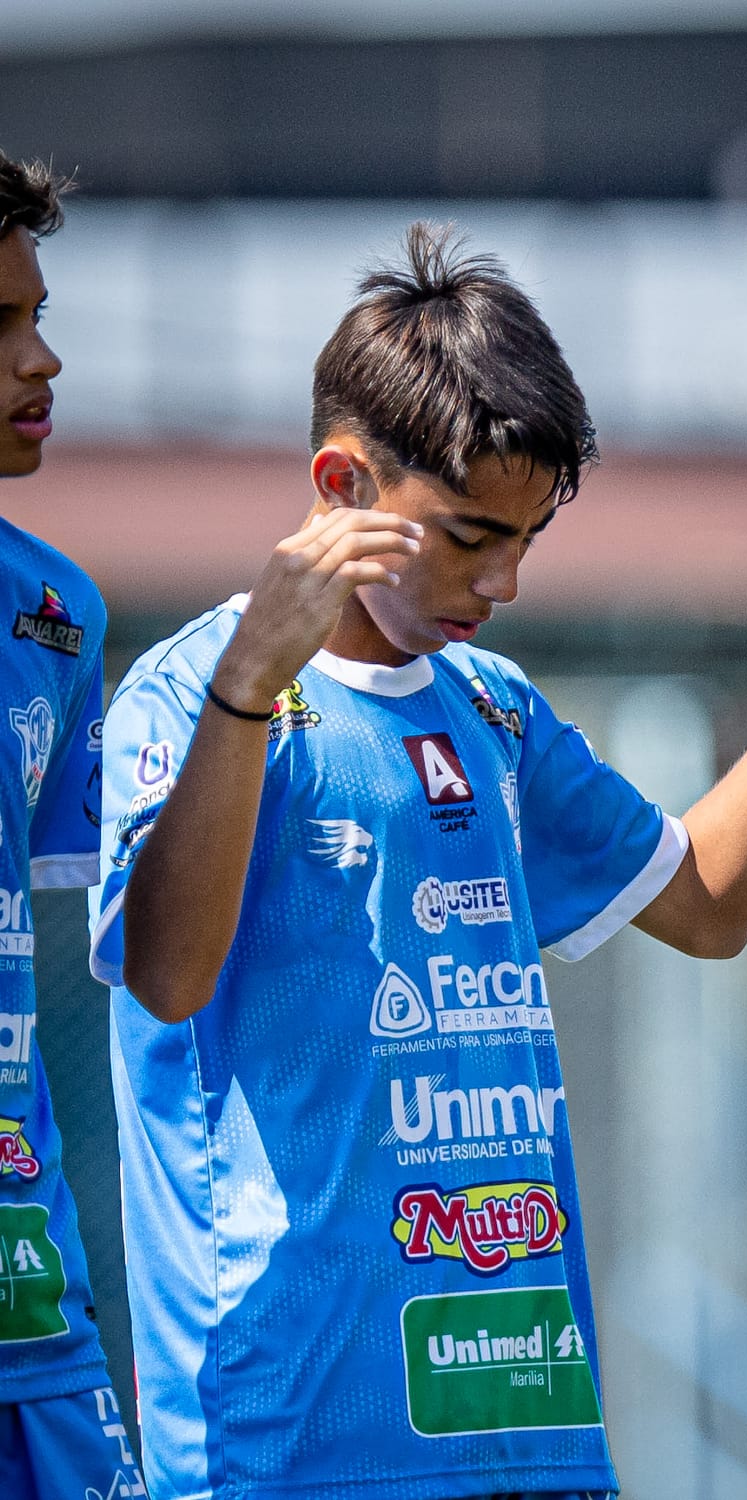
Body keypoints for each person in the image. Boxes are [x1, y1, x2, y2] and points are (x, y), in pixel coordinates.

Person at [90, 223, 747, 1500]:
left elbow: (707, 904)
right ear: (342, 481)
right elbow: (167, 977)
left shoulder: (495, 708)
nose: (507, 580)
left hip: (523, 1419)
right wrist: (252, 685)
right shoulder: (196, 690)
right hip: (290, 1446)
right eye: (471, 537)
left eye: (526, 539)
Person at [0, 150, 145, 1499]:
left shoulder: (57, 616)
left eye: (38, 317)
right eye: (0, 325)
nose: (44, 361)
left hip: (28, 1286)